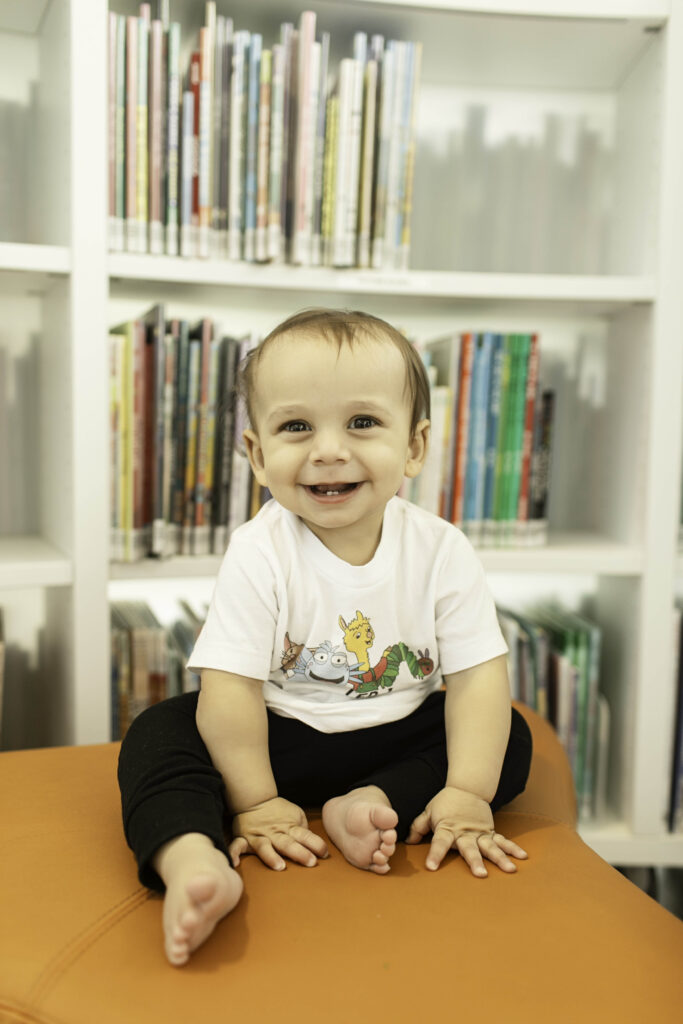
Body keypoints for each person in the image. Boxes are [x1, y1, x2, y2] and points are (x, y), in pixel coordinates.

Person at [118, 307, 533, 968]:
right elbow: (230, 686)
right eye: (295, 427)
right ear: (256, 454)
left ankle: (368, 805)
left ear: (415, 446)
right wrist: (254, 801)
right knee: (159, 734)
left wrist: (467, 792)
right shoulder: (261, 552)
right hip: (277, 739)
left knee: (505, 734)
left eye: (362, 422)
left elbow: (477, 677)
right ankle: (191, 857)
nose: (329, 449)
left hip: (397, 736)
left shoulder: (440, 549)